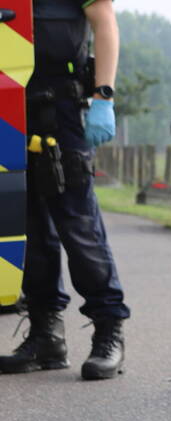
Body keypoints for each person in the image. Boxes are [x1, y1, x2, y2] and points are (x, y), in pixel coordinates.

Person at [0, 0, 128, 380]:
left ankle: (109, 329)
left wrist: (104, 96)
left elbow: (104, 19)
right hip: (9, 102)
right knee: (26, 223)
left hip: (62, 105)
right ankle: (46, 334)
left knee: (78, 222)